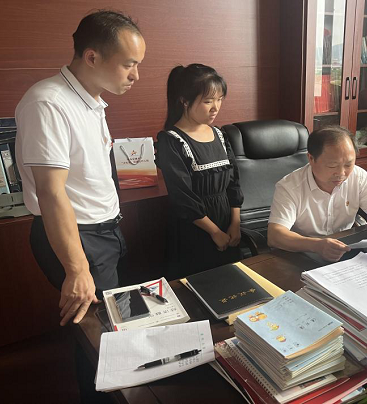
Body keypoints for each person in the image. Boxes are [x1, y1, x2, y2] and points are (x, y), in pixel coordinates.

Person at [15, 10, 145, 403]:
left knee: (109, 325)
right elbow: (51, 193)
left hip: (104, 231)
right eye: (129, 64)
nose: (136, 76)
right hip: (78, 237)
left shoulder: (91, 100)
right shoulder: (48, 103)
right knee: (97, 334)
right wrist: (76, 269)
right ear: (92, 57)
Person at [155, 64, 244, 278]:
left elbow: (234, 183)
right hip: (194, 231)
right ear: (184, 100)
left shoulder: (220, 134)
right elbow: (183, 197)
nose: (216, 108)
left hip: (227, 225)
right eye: (208, 101)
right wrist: (215, 232)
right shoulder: (171, 141)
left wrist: (235, 224)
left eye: (220, 99)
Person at [267, 125, 367, 262]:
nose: (341, 173)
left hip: (346, 251)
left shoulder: (358, 177)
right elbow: (275, 235)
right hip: (302, 254)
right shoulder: (290, 186)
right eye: (332, 166)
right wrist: (316, 245)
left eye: (348, 164)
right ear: (311, 158)